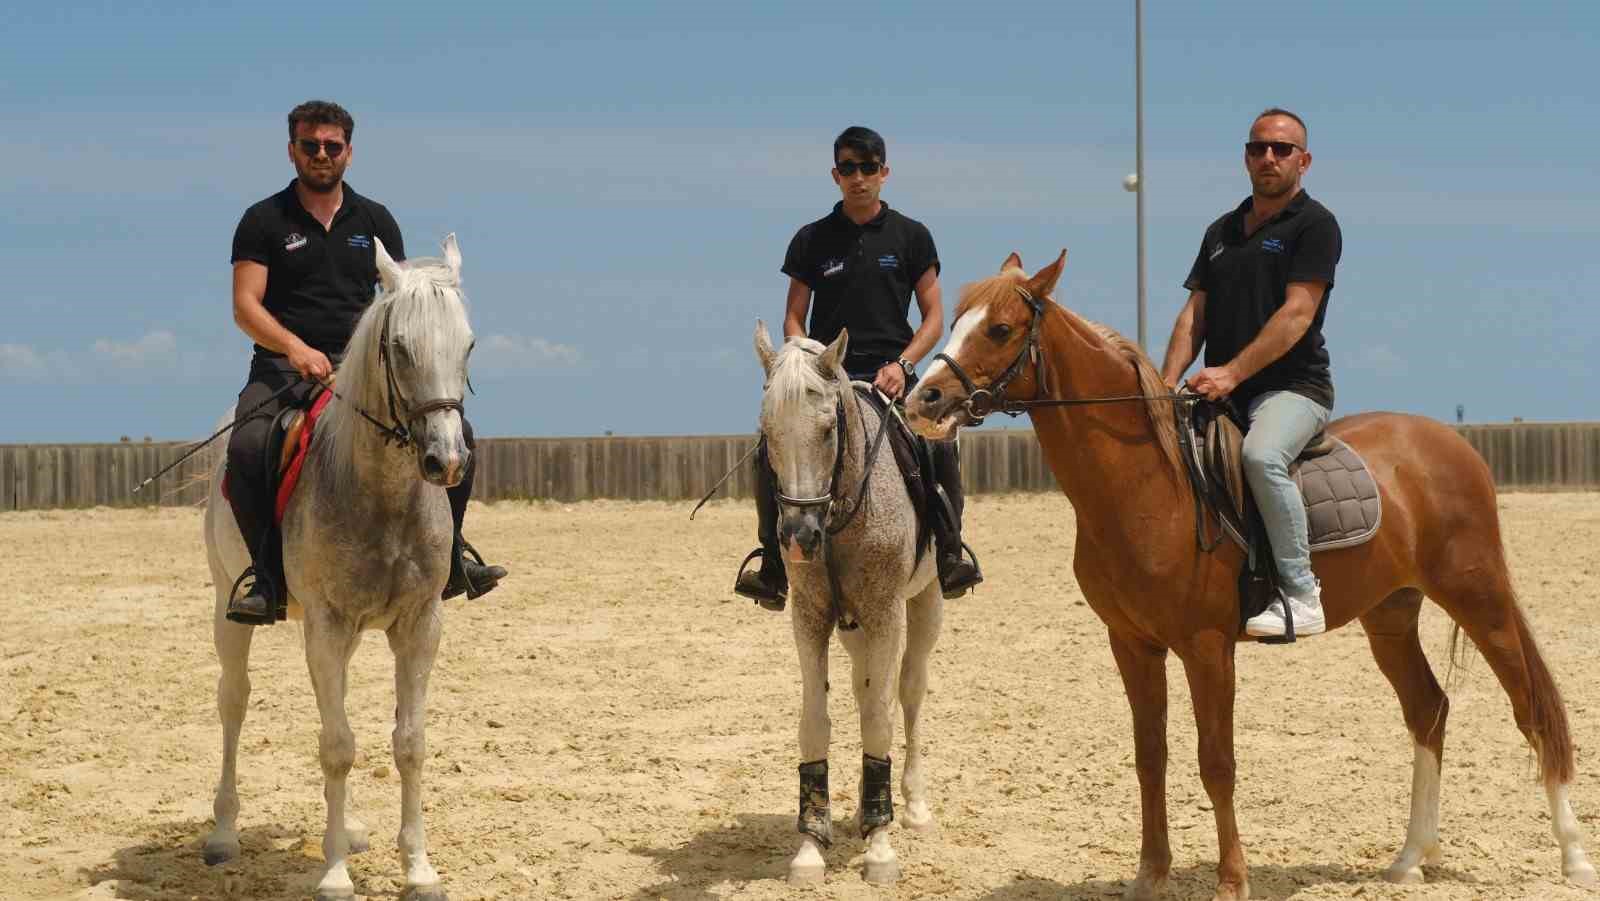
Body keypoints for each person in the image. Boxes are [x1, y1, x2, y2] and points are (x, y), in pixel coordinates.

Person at [223, 99, 506, 625]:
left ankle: (452, 556)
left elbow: (400, 301)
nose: (321, 155)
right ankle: (263, 576)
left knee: (458, 433)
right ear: (292, 151)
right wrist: (295, 348)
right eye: (310, 146)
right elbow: (245, 306)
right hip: (284, 369)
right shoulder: (263, 220)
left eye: (332, 146)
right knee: (246, 447)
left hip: (364, 375)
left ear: (349, 153)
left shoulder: (375, 220)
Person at [734, 125, 982, 610]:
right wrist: (803, 364)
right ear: (835, 174)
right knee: (771, 446)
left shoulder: (912, 236)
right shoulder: (811, 239)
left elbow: (933, 318)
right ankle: (772, 564)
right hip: (829, 378)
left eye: (868, 168)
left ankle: (950, 555)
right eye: (848, 168)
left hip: (892, 373)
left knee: (939, 443)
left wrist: (905, 365)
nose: (858, 177)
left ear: (884, 173)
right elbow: (793, 316)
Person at [1159, 107, 1342, 639]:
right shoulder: (1221, 230)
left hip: (1292, 389)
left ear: (1303, 161)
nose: (1269, 157)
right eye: (1258, 147)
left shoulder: (1316, 225)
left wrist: (1231, 374)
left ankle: (1301, 593)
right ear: (1245, 156)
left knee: (1261, 457)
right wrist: (1164, 383)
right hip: (1223, 390)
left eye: (1282, 149)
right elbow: (1195, 315)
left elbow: (1297, 315)